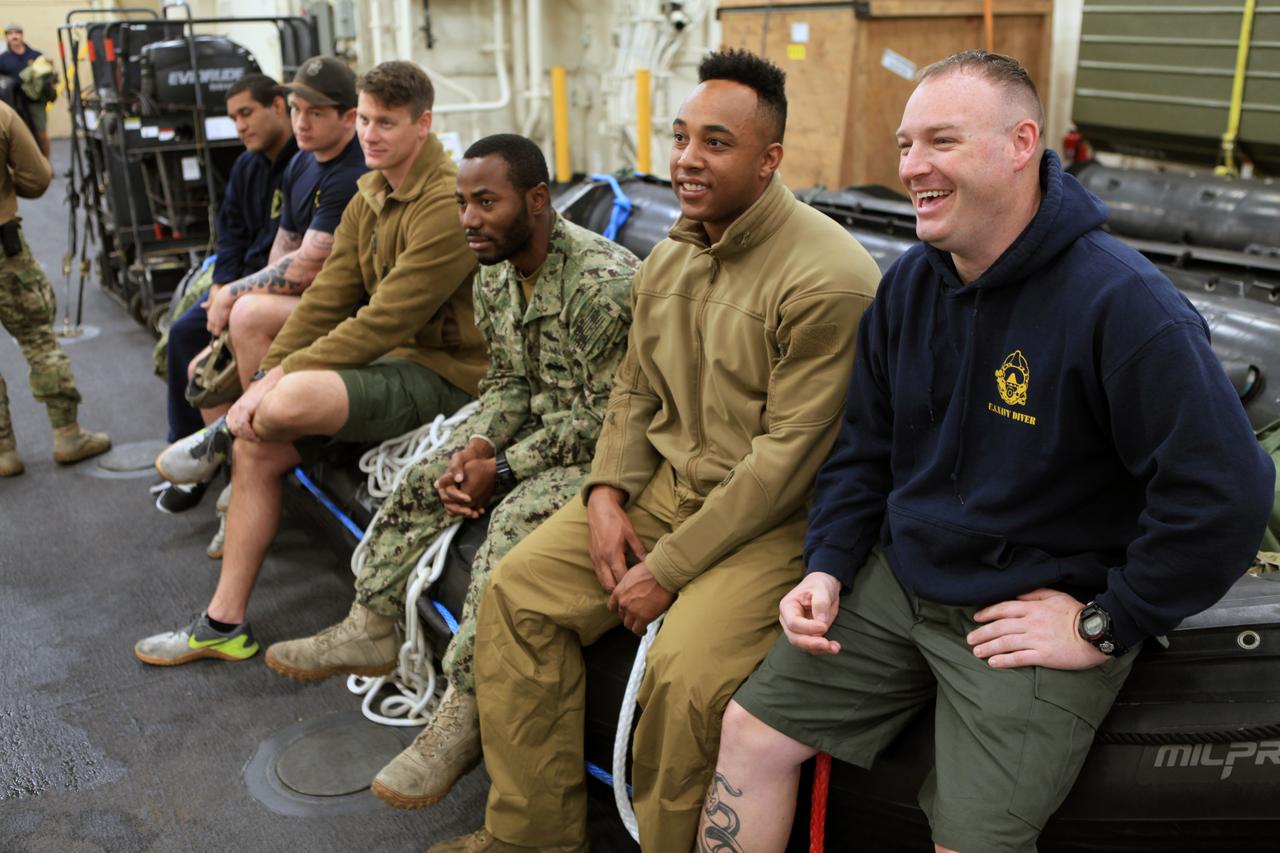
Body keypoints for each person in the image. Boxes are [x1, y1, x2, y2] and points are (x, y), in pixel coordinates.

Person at [701, 51, 1276, 853]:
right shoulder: (907, 286)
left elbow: (1229, 495)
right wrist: (828, 564)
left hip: (1029, 611)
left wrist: (1108, 620)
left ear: (1021, 144)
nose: (913, 167)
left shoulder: (1125, 306)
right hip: (902, 581)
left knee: (970, 841)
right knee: (750, 734)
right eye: (905, 145)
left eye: (941, 141)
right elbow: (864, 450)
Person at [430, 49, 881, 853]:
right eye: (679, 138)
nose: (685, 159)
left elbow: (785, 461)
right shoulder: (669, 258)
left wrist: (666, 569)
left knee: (685, 678)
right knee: (516, 594)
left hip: (773, 526)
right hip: (663, 487)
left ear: (769, 159)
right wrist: (604, 496)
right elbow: (635, 394)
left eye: (715, 142)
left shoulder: (829, 276)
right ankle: (532, 834)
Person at [264, 132, 640, 811]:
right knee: (422, 474)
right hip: (535, 430)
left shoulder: (602, 285)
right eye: (463, 202)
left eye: (486, 202)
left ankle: (464, 710)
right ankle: (371, 619)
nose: (469, 218)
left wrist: (503, 468)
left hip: (606, 454)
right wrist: (475, 448)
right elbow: (508, 385)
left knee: (508, 534)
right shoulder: (494, 271)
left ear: (536, 199)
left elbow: (608, 419)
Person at [134, 60, 486, 666]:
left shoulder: (444, 204)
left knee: (284, 405)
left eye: (387, 123)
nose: (371, 135)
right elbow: (324, 298)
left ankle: (224, 427)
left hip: (445, 376)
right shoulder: (370, 193)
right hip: (388, 361)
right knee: (257, 444)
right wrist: (270, 371)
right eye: (367, 120)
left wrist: (274, 385)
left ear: (423, 124)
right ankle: (223, 623)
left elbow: (388, 319)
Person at [154, 72, 300, 512]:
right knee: (183, 334)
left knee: (218, 343)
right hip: (237, 283)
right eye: (233, 117)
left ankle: (242, 465)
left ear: (278, 106)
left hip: (272, 289)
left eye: (247, 113)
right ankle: (190, 458)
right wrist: (220, 288)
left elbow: (292, 254)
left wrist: (234, 297)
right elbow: (230, 235)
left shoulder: (303, 165)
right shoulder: (245, 166)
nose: (240, 125)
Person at [0, 100, 109, 477]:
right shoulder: (1, 114)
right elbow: (37, 178)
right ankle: (67, 435)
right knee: (38, 341)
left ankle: (3, 451)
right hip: (6, 252)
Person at [0, 24, 51, 157]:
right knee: (20, 138)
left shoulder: (36, 56)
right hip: (14, 104)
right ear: (6, 37)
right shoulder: (2, 59)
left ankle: (46, 166)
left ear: (22, 35)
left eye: (17, 33)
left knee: (41, 135)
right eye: (10, 33)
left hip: (35, 102)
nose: (14, 36)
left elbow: (48, 76)